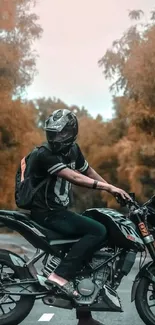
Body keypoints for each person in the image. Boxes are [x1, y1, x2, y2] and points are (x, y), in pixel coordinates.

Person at [30, 108, 131, 324]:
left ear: (72, 131)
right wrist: (108, 188)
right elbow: (74, 177)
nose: (57, 138)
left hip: (59, 212)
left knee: (90, 248)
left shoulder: (73, 150)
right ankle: (59, 276)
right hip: (47, 213)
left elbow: (88, 171)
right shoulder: (45, 154)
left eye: (61, 133)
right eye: (53, 133)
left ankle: (84, 317)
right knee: (98, 230)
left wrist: (111, 187)